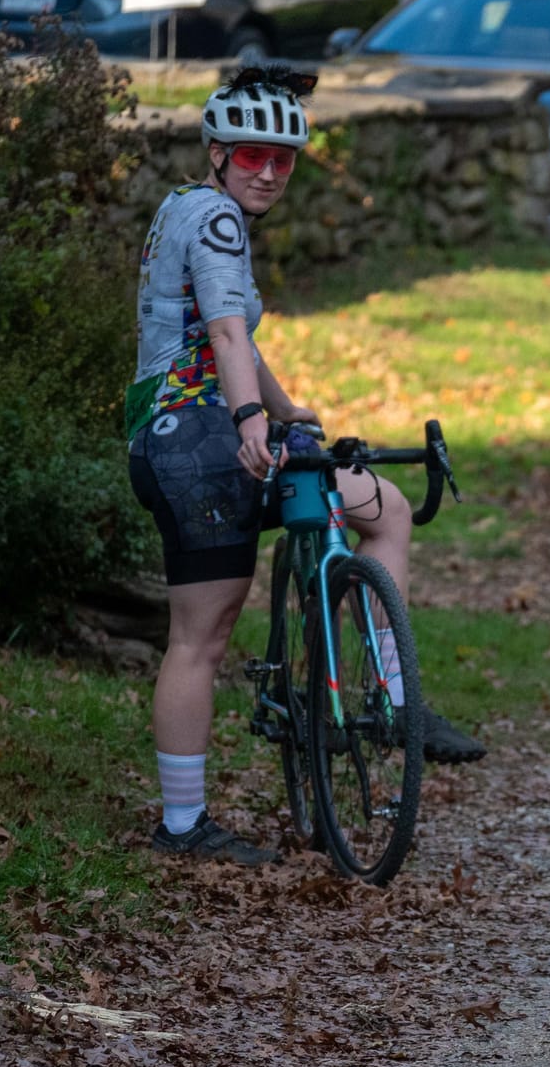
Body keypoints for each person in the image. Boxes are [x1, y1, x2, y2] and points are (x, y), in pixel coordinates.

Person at [128, 68, 485, 866]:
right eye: (254, 153)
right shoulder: (219, 221)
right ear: (218, 151)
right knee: (201, 635)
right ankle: (185, 826)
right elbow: (222, 336)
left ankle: (385, 695)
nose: (269, 170)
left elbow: (234, 342)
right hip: (198, 440)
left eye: (285, 158)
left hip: (182, 430)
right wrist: (254, 419)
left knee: (381, 506)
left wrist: (285, 411)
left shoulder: (184, 206)